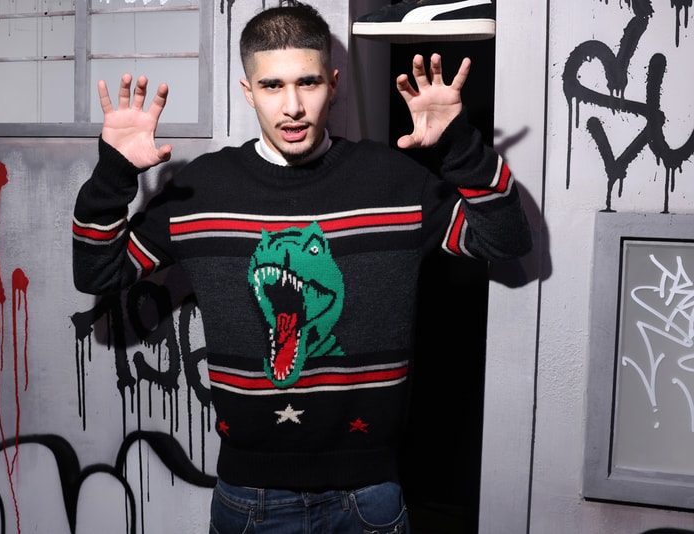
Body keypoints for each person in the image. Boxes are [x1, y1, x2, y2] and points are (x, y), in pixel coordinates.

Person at [72, 2, 531, 532]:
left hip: (370, 495)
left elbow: (503, 240)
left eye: (307, 83)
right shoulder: (202, 191)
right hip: (249, 498)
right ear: (248, 91)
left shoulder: (394, 181)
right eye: (271, 86)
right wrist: (114, 173)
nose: (292, 107)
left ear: (333, 85)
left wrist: (460, 144)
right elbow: (99, 273)